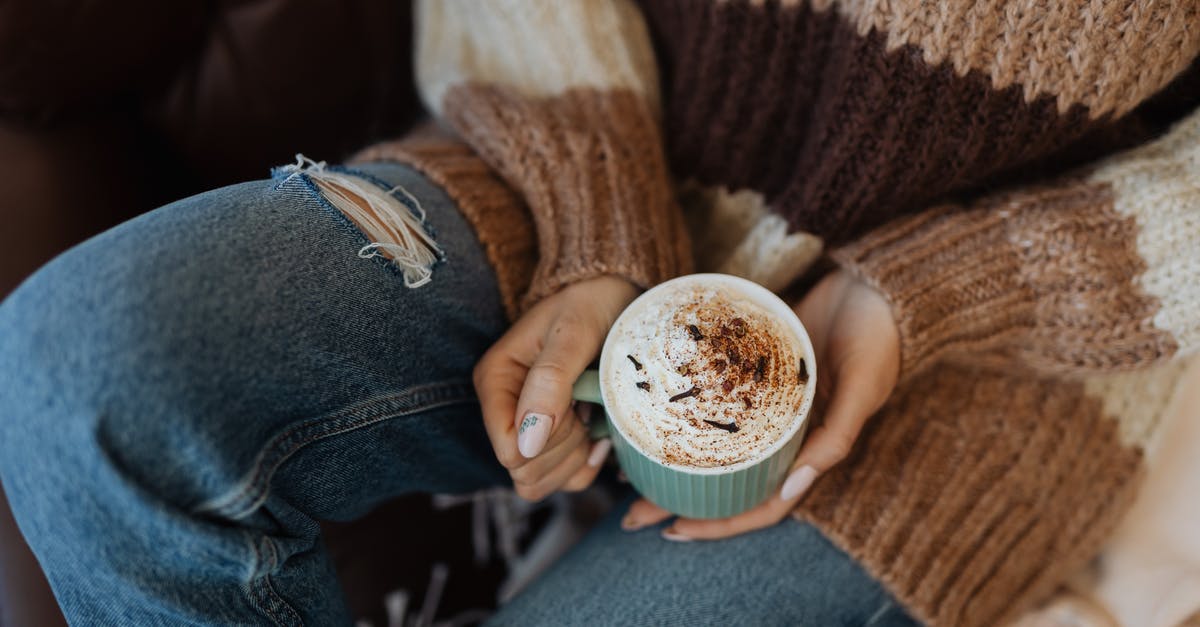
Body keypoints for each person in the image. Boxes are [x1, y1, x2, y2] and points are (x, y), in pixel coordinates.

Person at [1, 1, 1197, 625]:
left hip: (998, 337)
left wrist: (941, 294)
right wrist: (597, 219)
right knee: (73, 371)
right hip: (589, 153)